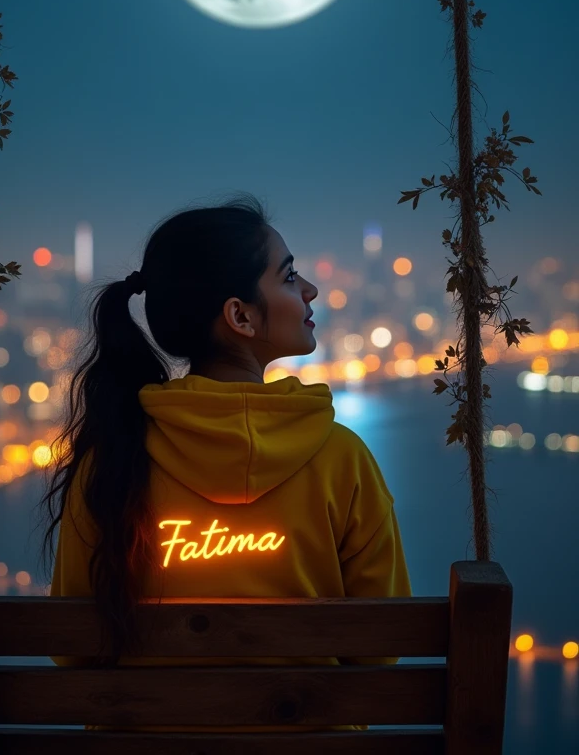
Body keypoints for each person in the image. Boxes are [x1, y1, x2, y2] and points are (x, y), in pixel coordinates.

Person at [41, 192, 412, 733]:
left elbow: (71, 650)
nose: (309, 290)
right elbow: (381, 649)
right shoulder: (342, 458)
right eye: (288, 278)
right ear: (239, 316)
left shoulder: (113, 456)